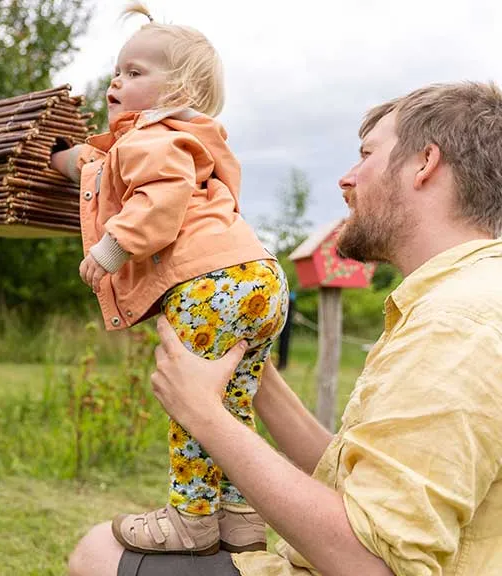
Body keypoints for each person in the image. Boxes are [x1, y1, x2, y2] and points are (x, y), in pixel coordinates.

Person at [67, 80, 502, 576]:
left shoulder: (456, 326)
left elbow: (373, 564)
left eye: (366, 155)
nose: (346, 178)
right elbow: (353, 479)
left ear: (424, 163)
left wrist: (204, 412)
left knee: (97, 553)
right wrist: (247, 357)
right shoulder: (457, 298)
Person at [49, 2, 289, 556]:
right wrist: (62, 158)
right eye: (118, 69)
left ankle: (190, 520)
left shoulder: (151, 139)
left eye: (136, 73)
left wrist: (111, 249)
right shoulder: (190, 137)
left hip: (210, 286)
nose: (117, 79)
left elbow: (160, 197)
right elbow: (98, 165)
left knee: (193, 402)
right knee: (231, 403)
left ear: (176, 92)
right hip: (259, 280)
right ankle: (241, 517)